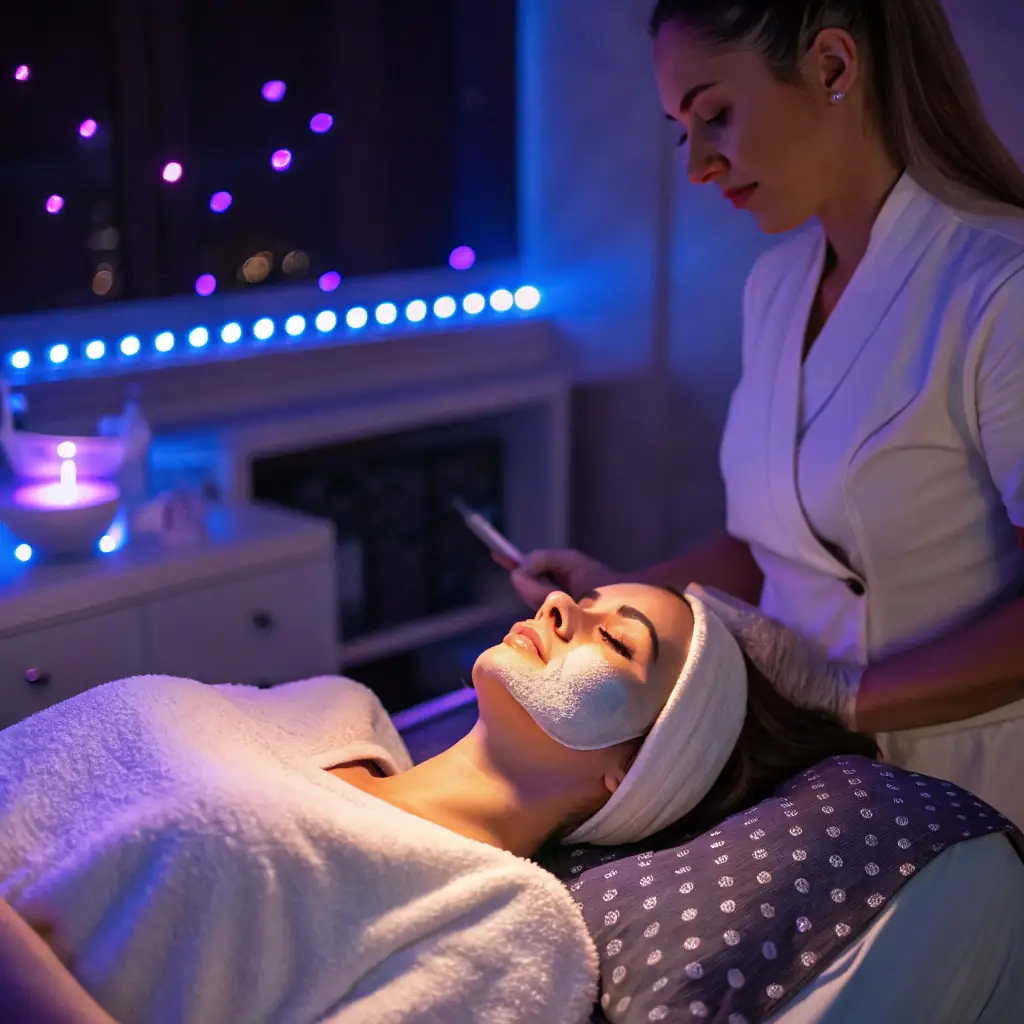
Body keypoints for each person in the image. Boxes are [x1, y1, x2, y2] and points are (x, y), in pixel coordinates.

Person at [511, 0, 1024, 827]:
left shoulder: (999, 292)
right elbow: (774, 547)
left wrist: (851, 697)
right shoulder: (777, 290)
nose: (699, 167)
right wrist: (624, 594)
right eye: (684, 130)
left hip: (966, 788)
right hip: (810, 766)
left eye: (715, 114)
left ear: (832, 67)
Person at [0, 584, 873, 1024]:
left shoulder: (508, 925)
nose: (561, 604)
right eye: (588, 599)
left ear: (634, 772)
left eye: (615, 638)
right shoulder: (333, 709)